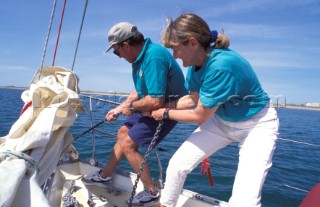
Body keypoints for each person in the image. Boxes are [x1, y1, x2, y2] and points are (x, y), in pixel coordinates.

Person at [151, 13, 279, 207]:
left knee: (244, 201)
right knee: (177, 165)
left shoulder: (221, 65)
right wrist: (163, 106)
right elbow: (192, 99)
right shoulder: (195, 66)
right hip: (222, 121)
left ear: (192, 42)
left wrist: (165, 113)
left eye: (175, 49)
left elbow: (199, 115)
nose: (174, 56)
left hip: (257, 125)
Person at [83, 22, 188, 205]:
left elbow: (155, 101)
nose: (119, 56)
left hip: (166, 108)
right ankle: (106, 175)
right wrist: (118, 108)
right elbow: (139, 90)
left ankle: (150, 191)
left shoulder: (153, 56)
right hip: (149, 104)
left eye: (117, 52)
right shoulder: (138, 59)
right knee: (122, 133)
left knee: (129, 144)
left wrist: (130, 108)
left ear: (126, 45)